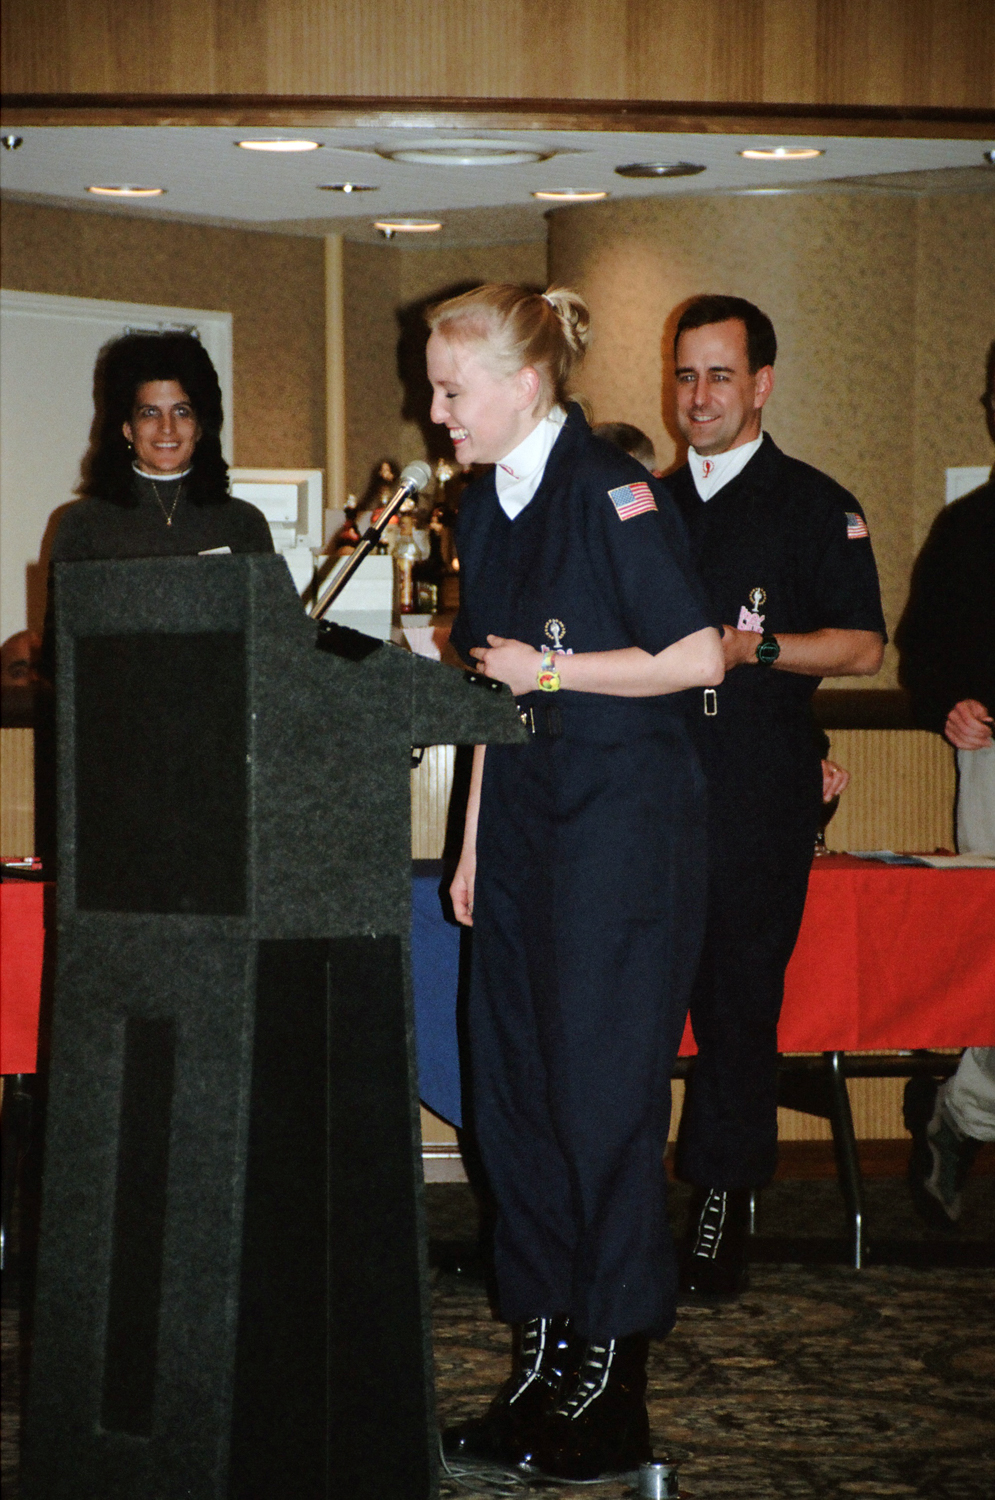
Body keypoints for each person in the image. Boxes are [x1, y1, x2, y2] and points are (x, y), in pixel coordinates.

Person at [428, 284, 724, 1480]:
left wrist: (553, 672)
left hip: (620, 837)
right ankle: (543, 1364)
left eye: (451, 389)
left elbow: (696, 656)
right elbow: (492, 695)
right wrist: (470, 844)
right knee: (513, 1108)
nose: (436, 411)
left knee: (599, 1112)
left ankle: (610, 1384)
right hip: (522, 833)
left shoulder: (609, 487)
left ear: (522, 384)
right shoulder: (480, 502)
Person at [663, 294, 886, 1299]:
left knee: (737, 1008)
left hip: (757, 791)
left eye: (718, 374)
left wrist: (751, 648)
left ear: (760, 384)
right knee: (631, 1004)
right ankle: (618, 1210)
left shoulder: (812, 504)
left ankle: (720, 1209)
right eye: (684, 375)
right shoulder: (643, 506)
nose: (698, 395)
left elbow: (861, 645)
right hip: (648, 792)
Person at [897, 341, 995, 1228]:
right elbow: (920, 652)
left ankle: (959, 1112)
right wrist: (947, 707)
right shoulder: (968, 528)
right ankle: (963, 1115)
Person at [47, 331, 273, 568]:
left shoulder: (244, 522)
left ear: (199, 427)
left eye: (182, 412)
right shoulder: (83, 524)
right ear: (127, 428)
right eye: (150, 412)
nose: (167, 428)